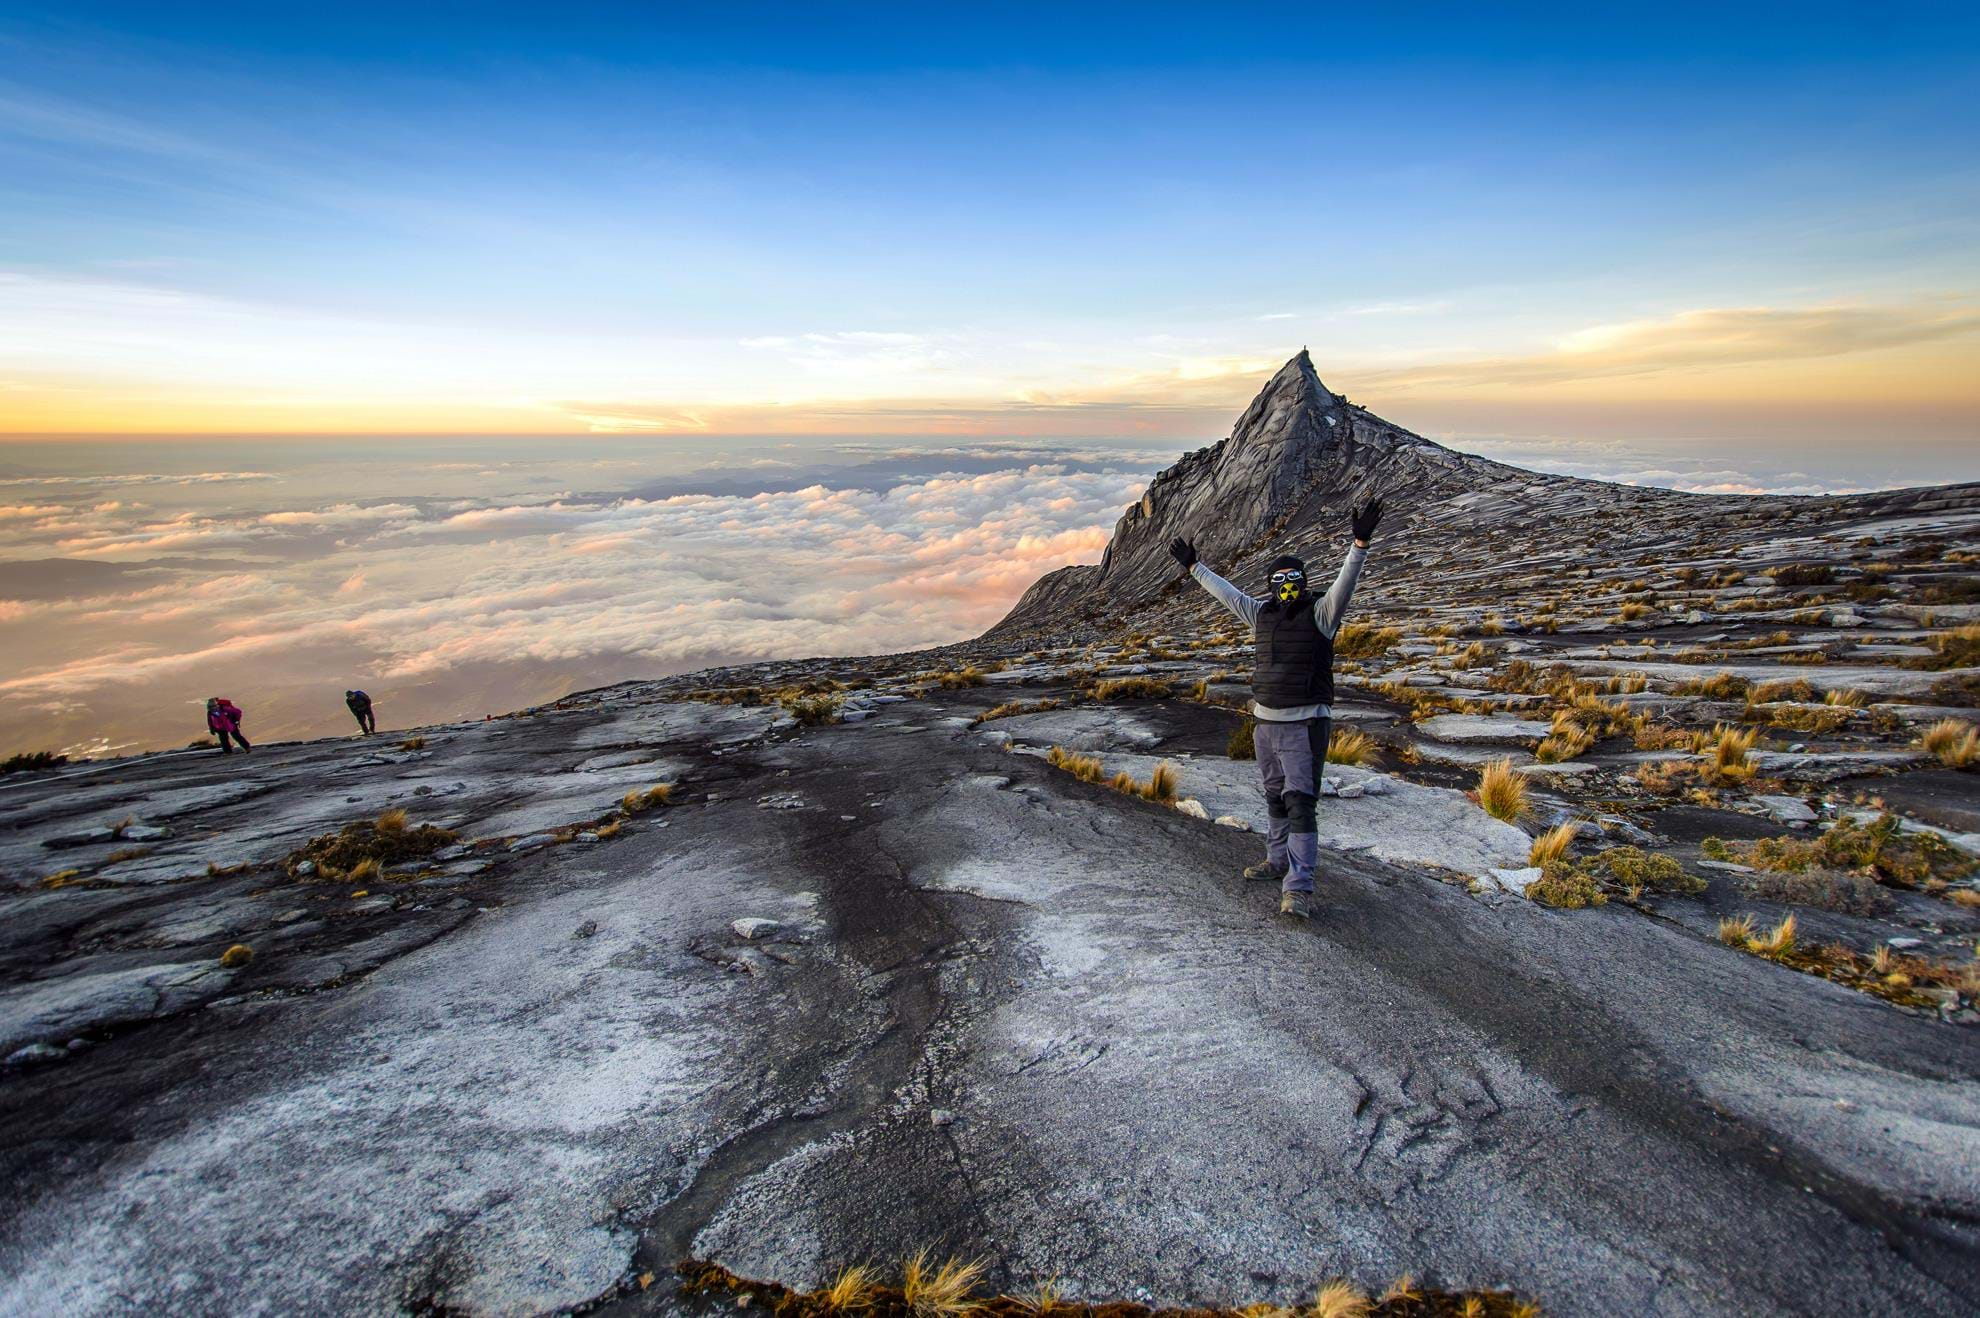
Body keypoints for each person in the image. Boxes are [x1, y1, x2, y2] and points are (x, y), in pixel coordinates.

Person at [1169, 500, 1382, 920]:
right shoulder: (1260, 613)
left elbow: (1346, 584)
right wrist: (1194, 568)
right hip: (1264, 723)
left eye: (1294, 579)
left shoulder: (1322, 614)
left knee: (1301, 803)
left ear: (1304, 582)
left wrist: (1359, 544)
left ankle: (1298, 889)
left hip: (1305, 725)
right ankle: (1276, 860)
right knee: (1274, 798)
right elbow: (1226, 593)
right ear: (1269, 585)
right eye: (1280, 580)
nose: (1287, 586)